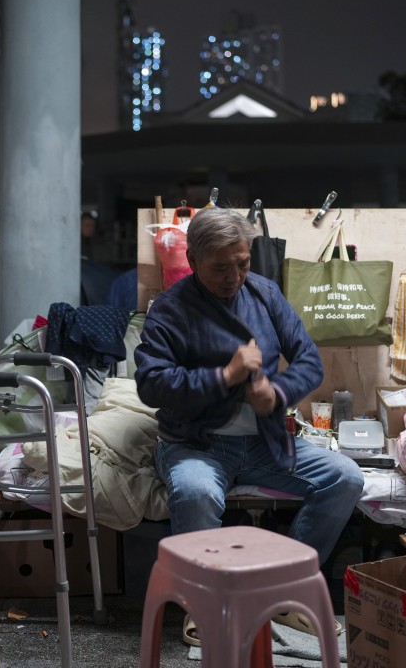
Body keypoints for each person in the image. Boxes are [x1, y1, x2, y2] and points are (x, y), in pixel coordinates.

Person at [134, 207, 364, 639]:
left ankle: (284, 592)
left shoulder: (265, 294)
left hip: (264, 442)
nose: (234, 276)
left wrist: (276, 393)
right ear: (195, 259)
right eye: (221, 267)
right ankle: (200, 606)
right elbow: (151, 385)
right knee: (196, 490)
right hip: (195, 442)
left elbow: (309, 361)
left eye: (242, 263)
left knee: (345, 478)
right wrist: (225, 376)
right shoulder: (170, 308)